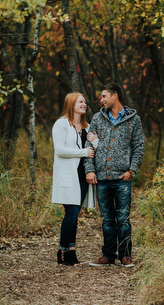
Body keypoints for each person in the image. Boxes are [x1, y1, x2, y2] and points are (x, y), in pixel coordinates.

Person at [85, 83, 145, 268]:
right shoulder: (97, 118)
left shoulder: (133, 120)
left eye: (104, 96)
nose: (101, 100)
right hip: (102, 178)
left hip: (122, 179)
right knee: (107, 220)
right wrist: (90, 170)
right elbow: (89, 147)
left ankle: (125, 255)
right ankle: (108, 255)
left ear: (115, 96)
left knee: (123, 218)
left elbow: (138, 147)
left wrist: (132, 170)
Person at [52, 93, 98, 265]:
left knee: (75, 214)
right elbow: (60, 150)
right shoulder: (61, 124)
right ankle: (62, 252)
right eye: (80, 101)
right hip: (67, 175)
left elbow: (94, 149)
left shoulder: (87, 126)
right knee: (71, 214)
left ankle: (71, 251)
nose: (84, 104)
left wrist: (96, 141)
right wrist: (83, 152)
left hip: (82, 175)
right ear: (71, 104)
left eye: (85, 102)